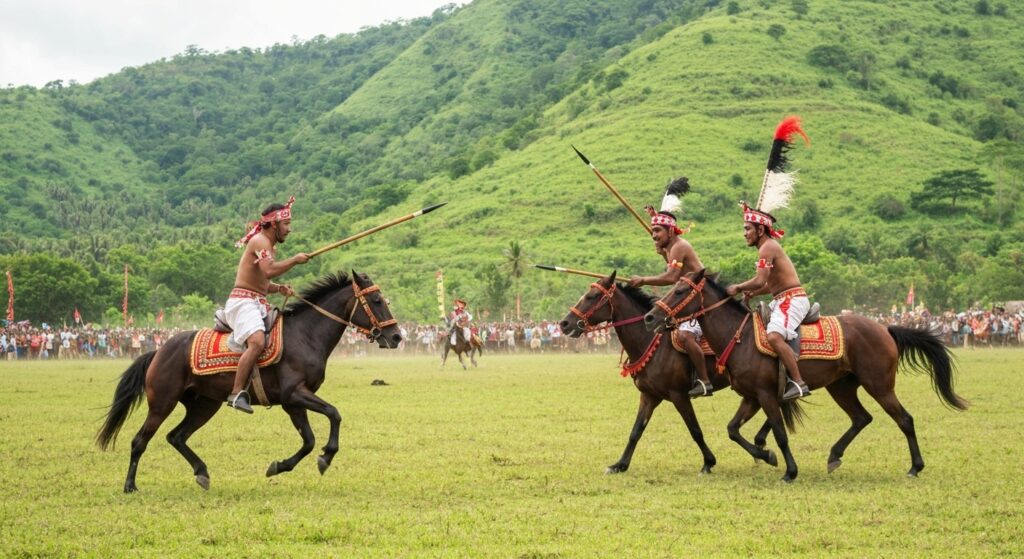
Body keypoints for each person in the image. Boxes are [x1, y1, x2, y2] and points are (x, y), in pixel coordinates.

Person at [628, 177, 714, 397]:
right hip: (687, 295)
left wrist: (643, 280)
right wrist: (662, 251)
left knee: (685, 336)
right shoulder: (671, 248)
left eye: (657, 231)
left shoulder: (679, 246)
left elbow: (671, 277)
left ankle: (704, 381)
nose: (654, 235)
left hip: (700, 297)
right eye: (652, 231)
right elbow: (676, 273)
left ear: (671, 231)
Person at [225, 197, 310, 413]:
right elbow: (269, 270)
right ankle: (236, 393)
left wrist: (278, 289)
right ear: (274, 224)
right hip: (242, 302)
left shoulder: (268, 246)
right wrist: (294, 260)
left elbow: (262, 281)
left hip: (256, 301)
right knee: (257, 342)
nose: (289, 229)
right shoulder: (260, 241)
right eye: (286, 224)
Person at [725, 204, 811, 400]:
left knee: (773, 337)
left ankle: (798, 382)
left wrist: (738, 287)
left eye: (748, 229)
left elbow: (759, 280)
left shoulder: (768, 247)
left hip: (792, 299)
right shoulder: (767, 247)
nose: (744, 233)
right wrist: (753, 293)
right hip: (781, 299)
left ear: (760, 230)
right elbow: (769, 285)